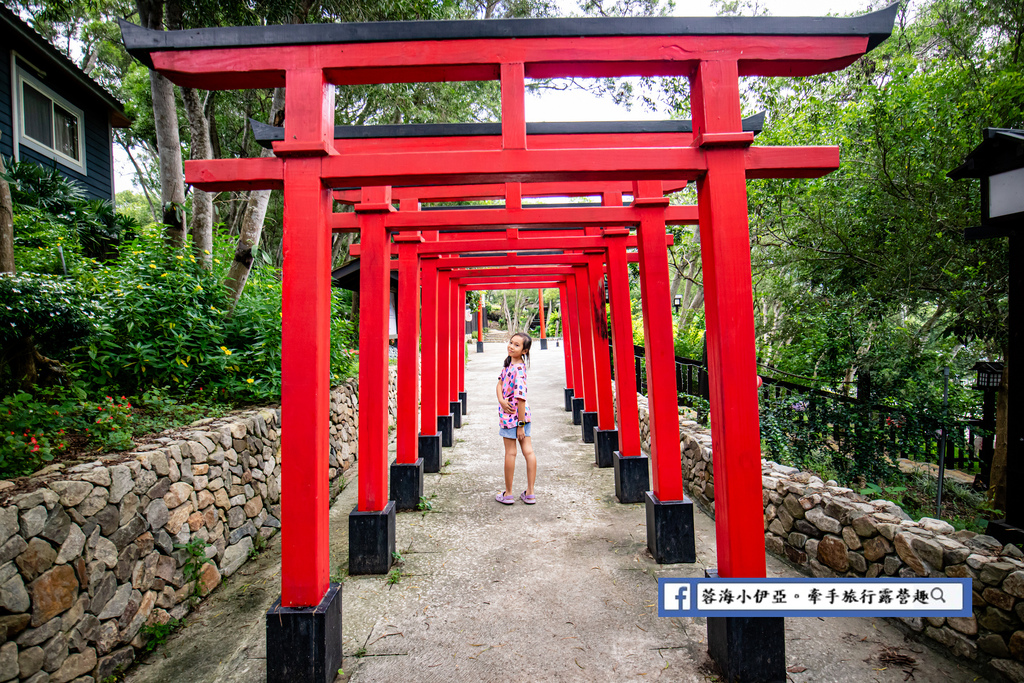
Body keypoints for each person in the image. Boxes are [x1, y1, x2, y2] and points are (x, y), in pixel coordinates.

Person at [495, 332, 536, 505]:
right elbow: (499, 383)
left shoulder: (518, 371)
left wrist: (520, 425)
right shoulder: (509, 364)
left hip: (514, 418)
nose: (511, 346)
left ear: (524, 351)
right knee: (528, 451)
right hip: (518, 415)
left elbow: (521, 399)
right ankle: (530, 493)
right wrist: (502, 400)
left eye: (517, 345)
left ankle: (509, 493)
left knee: (512, 453)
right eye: (511, 342)